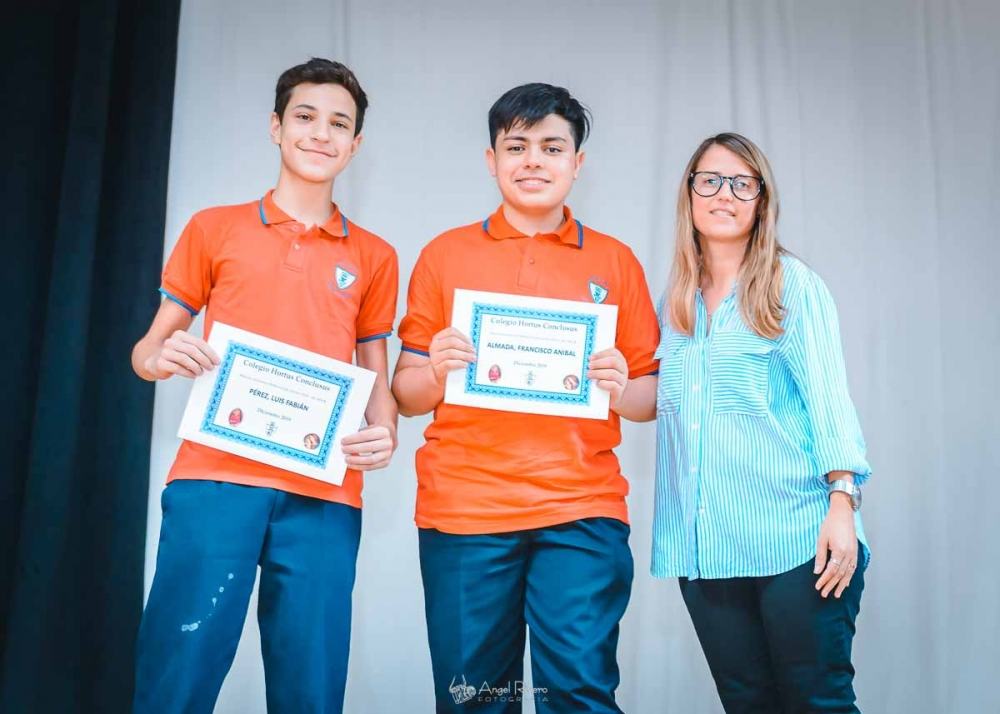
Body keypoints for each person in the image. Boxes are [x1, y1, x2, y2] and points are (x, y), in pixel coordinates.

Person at [130, 58, 398, 713]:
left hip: (324, 491)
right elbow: (145, 351)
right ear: (276, 127)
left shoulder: (375, 255)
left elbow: (376, 373)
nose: (321, 133)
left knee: (311, 687)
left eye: (339, 123)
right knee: (177, 674)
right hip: (213, 478)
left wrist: (387, 431)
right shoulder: (213, 228)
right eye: (305, 116)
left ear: (356, 143)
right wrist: (164, 355)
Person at [392, 83, 659, 712]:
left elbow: (650, 398)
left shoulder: (616, 262)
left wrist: (622, 387)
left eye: (551, 147)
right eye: (517, 147)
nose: (533, 160)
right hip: (465, 510)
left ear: (577, 162)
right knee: (475, 699)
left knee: (580, 694)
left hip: (581, 508)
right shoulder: (444, 254)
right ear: (492, 159)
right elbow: (405, 393)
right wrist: (437, 372)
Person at [651, 132, 870, 713]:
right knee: (746, 705)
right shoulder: (675, 303)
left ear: (761, 200)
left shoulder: (791, 285)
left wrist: (843, 506)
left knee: (816, 702)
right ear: (689, 194)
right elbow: (655, 402)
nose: (724, 194)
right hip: (708, 549)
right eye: (710, 181)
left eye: (742, 184)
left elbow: (829, 401)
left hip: (796, 541)